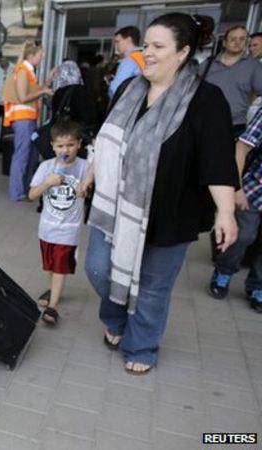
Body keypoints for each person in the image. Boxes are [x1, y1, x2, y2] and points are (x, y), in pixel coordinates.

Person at [81, 13, 238, 375]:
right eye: (145, 45)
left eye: (157, 46)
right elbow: (105, 143)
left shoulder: (205, 100)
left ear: (182, 52)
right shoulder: (128, 90)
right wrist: (89, 175)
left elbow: (217, 161)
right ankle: (116, 317)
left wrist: (226, 212)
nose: (146, 52)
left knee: (152, 289)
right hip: (118, 207)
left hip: (171, 212)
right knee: (98, 268)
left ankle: (142, 346)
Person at [28, 120, 89, 325]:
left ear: (79, 144)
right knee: (50, 267)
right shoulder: (46, 166)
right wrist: (47, 183)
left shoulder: (84, 167)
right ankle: (54, 290)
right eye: (61, 146)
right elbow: (30, 194)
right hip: (47, 228)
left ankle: (53, 306)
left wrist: (86, 189)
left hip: (69, 230)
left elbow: (91, 188)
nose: (66, 150)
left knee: (61, 267)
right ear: (53, 146)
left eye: (70, 145)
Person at [207, 108, 262, 313]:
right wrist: (237, 188)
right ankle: (224, 271)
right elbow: (242, 148)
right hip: (255, 189)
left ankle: (257, 286)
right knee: (244, 235)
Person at [4, 41, 53, 202]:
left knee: (29, 155)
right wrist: (45, 90)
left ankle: (23, 190)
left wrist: (47, 82)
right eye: (40, 55)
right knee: (22, 156)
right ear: (31, 56)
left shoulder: (28, 72)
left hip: (27, 119)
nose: (43, 57)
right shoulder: (23, 71)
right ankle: (17, 192)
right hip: (23, 119)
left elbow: (34, 92)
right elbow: (23, 97)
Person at [201, 26, 262, 137]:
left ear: (247, 42)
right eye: (233, 39)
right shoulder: (208, 64)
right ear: (224, 43)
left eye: (242, 39)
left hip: (234, 126)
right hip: (203, 122)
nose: (237, 42)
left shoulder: (254, 66)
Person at [108, 26, 144, 99]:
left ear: (128, 40)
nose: (116, 45)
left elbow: (116, 89)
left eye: (118, 41)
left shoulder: (129, 61)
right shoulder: (143, 56)